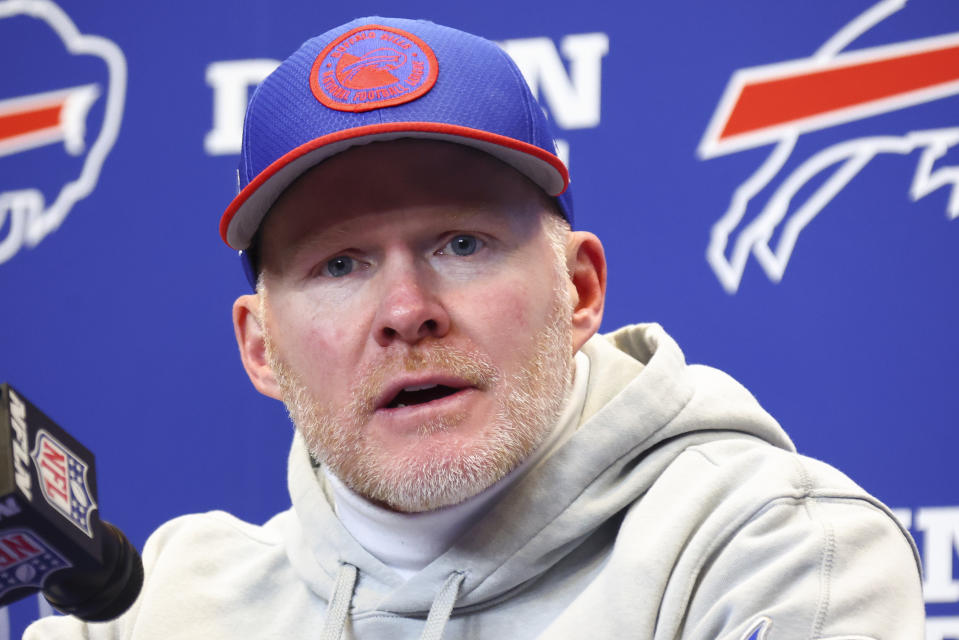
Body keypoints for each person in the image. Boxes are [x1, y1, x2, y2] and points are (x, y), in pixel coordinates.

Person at [26, 16, 924, 640]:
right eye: (338, 265)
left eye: (461, 243)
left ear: (578, 289)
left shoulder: (774, 546)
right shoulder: (154, 606)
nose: (407, 310)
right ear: (260, 348)